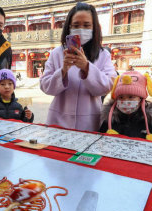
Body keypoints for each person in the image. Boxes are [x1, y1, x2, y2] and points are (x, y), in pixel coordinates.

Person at [40, 2, 116, 132]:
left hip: (89, 122)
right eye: (76, 25)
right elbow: (45, 87)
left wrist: (86, 67)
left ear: (94, 27)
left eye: (86, 25)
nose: (81, 29)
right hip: (58, 121)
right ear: (69, 27)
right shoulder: (57, 53)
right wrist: (63, 71)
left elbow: (107, 86)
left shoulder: (103, 55)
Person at [99, 71, 152, 141]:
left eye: (131, 97)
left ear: (141, 98)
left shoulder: (151, 121)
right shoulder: (110, 119)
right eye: (121, 97)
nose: (125, 101)